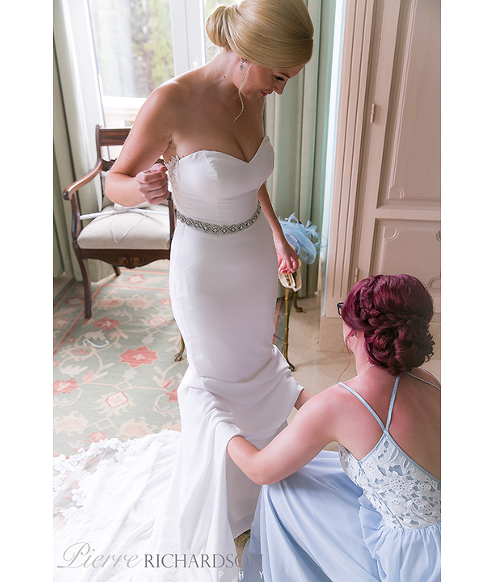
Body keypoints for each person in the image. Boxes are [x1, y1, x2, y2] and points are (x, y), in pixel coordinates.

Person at [53, 2, 315, 581]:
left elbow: (251, 177)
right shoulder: (172, 100)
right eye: (279, 76)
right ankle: (218, 499)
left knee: (258, 365)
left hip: (253, 261)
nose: (280, 89)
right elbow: (116, 181)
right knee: (219, 380)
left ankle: (257, 489)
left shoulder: (252, 94)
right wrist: (141, 188)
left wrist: (277, 236)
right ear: (247, 53)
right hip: (204, 273)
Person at [226, 274, 441, 581]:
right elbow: (341, 418)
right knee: (316, 468)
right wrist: (292, 391)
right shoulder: (428, 379)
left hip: (415, 562)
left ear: (353, 330)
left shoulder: (341, 404)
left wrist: (220, 427)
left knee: (280, 485)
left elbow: (260, 470)